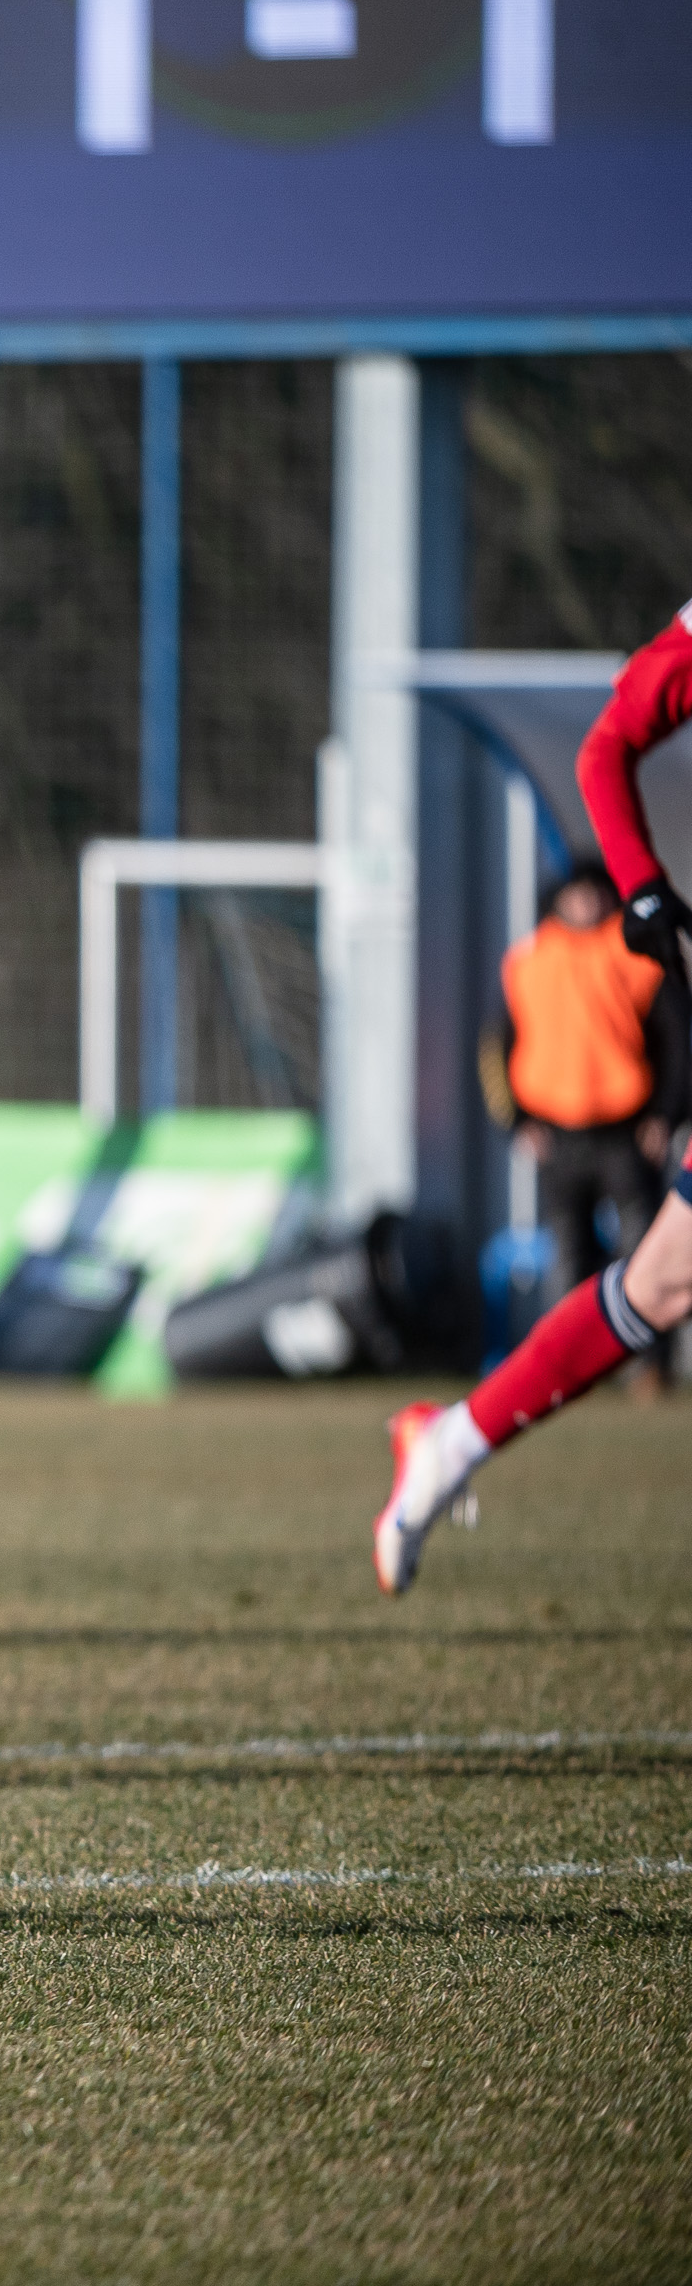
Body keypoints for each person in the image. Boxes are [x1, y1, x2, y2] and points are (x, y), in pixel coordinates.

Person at [382, 599, 692, 1590]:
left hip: (625, 1124)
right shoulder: (535, 959)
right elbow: (607, 748)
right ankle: (453, 1440)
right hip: (569, 1132)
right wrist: (643, 887)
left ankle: (454, 1440)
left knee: (659, 1278)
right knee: (658, 1280)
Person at [487, 861, 683, 1338]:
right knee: (569, 1254)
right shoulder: (530, 960)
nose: (585, 904)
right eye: (575, 895)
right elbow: (497, 1049)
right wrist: (516, 1122)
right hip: (556, 1132)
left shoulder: (634, 955)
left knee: (643, 1251)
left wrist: (666, 1115)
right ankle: (570, 1354)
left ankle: (648, 1363)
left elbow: (678, 1042)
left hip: (626, 1129)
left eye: (594, 893)